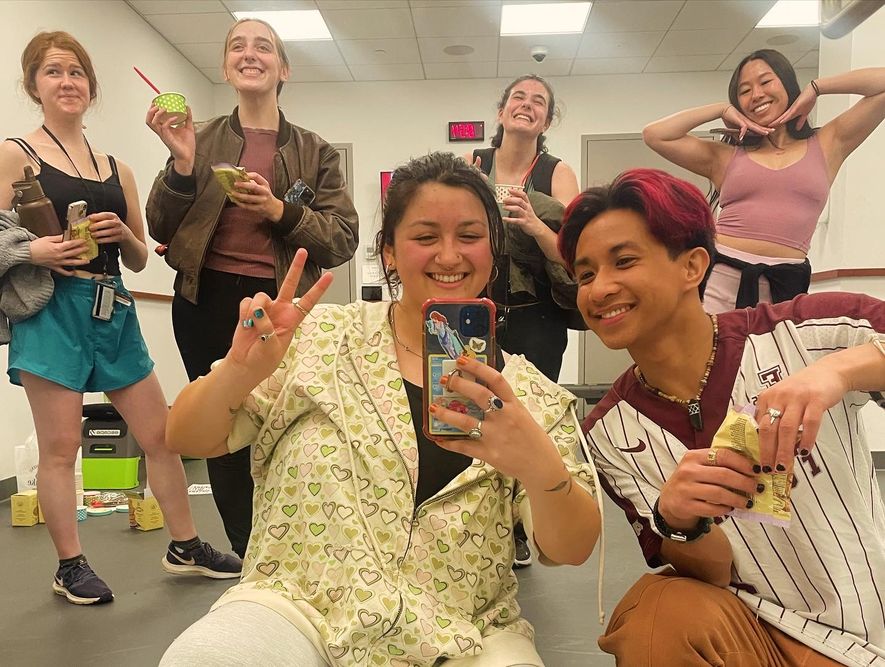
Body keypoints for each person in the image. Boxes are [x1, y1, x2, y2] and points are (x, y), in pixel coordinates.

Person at [159, 153, 602, 666]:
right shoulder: (319, 338)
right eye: (426, 236)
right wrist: (238, 370)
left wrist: (535, 461)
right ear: (389, 253)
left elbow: (572, 547)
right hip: (300, 610)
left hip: (464, 632)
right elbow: (186, 437)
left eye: (469, 235)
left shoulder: (527, 393)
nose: (450, 255)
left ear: (494, 248)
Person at [557, 167, 885, 665]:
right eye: (585, 274)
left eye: (623, 261)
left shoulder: (797, 333)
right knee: (657, 611)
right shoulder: (610, 431)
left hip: (864, 629)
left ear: (692, 266)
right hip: (755, 634)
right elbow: (710, 573)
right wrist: (678, 520)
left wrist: (837, 373)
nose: (600, 289)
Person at [0, 31, 241, 606]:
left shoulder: (117, 168)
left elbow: (137, 258)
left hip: (112, 306)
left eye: (77, 72)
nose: (67, 82)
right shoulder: (15, 153)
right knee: (61, 448)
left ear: (91, 86)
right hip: (51, 309)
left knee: (160, 435)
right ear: (34, 84)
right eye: (54, 72)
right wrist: (37, 251)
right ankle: (69, 564)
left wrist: (125, 234)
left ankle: (185, 545)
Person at [145, 18, 359, 558]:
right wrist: (182, 163)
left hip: (279, 306)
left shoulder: (316, 151)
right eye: (237, 46)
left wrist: (281, 211)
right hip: (207, 301)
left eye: (263, 46)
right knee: (220, 431)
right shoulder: (201, 137)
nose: (249, 53)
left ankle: (297, 549)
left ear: (282, 69)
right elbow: (160, 226)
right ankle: (249, 553)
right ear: (225, 67)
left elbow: (344, 238)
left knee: (286, 425)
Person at [642, 49, 885, 313]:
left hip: (786, 282)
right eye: (744, 91)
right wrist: (720, 109)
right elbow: (655, 135)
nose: (756, 94)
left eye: (765, 81)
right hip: (721, 278)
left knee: (776, 355)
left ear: (786, 84)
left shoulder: (829, 143)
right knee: (713, 353)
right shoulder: (725, 156)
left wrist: (817, 88)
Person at [467, 75, 581, 568]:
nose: (526, 106)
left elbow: (579, 255)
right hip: (477, 313)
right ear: (501, 111)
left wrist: (534, 223)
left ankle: (518, 524)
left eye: (539, 102)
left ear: (547, 120)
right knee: (474, 415)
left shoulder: (558, 174)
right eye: (518, 97)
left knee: (528, 417)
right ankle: (481, 518)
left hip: (537, 319)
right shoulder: (475, 165)